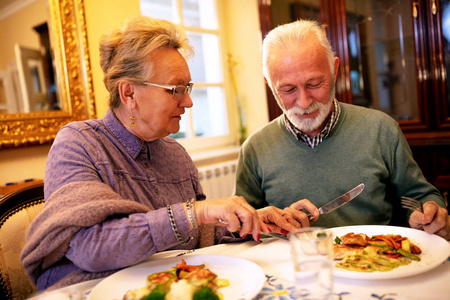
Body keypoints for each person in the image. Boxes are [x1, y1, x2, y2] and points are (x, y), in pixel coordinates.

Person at [20, 16, 268, 291]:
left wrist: (255, 221)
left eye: (188, 88)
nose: (187, 101)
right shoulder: (79, 144)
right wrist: (194, 212)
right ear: (129, 94)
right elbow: (91, 247)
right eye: (176, 89)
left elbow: (201, 235)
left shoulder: (176, 155)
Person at [235, 19, 450, 240]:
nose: (304, 102)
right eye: (288, 90)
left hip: (376, 265)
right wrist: (265, 223)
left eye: (314, 84)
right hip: (292, 271)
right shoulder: (254, 149)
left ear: (334, 70)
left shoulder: (381, 130)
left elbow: (418, 197)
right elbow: (239, 228)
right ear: (269, 84)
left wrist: (428, 214)